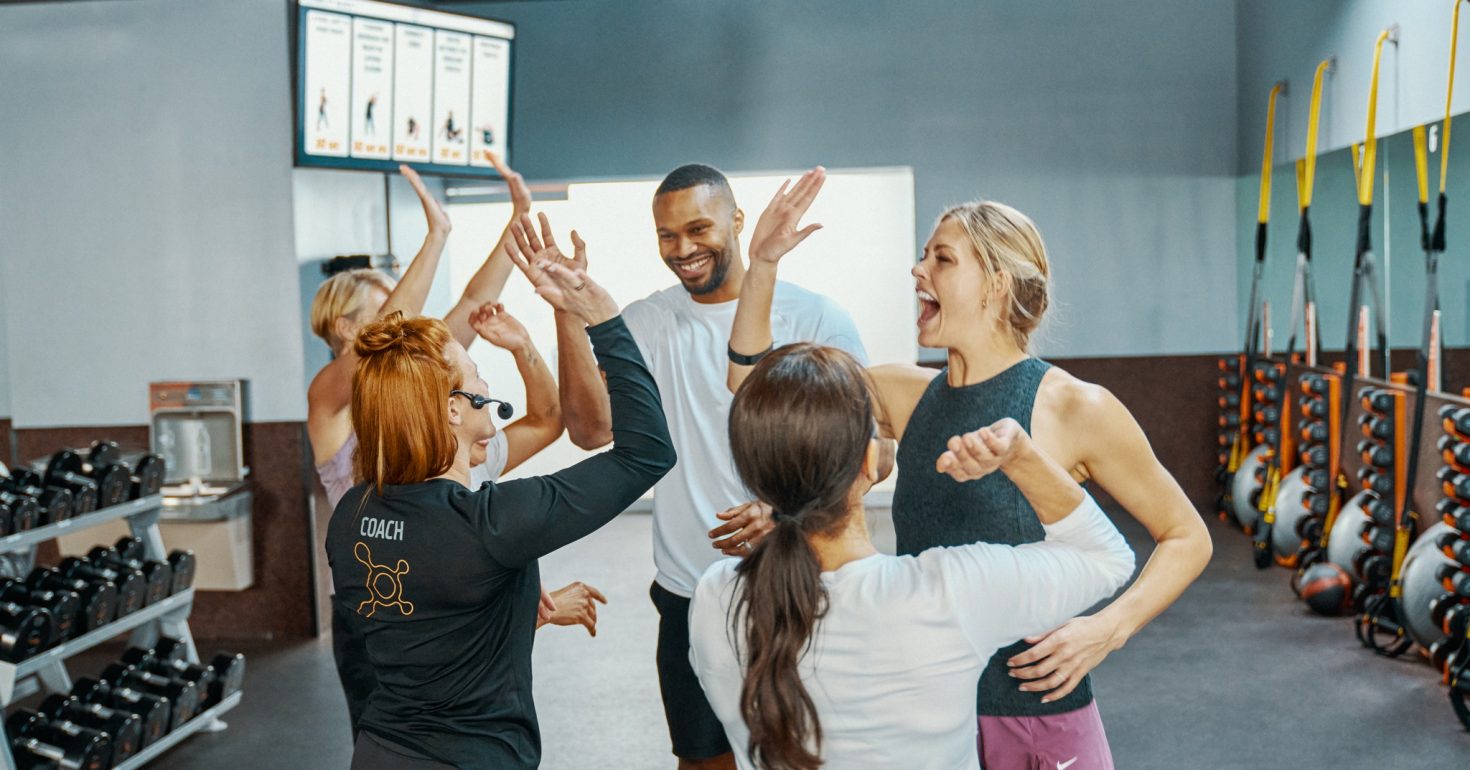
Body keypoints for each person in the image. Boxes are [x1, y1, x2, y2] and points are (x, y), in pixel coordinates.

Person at [726, 169, 1213, 769]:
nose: (918, 270)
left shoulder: (1073, 407)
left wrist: (1107, 630)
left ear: (996, 284)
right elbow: (758, 391)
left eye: (942, 259)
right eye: (923, 255)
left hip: (1034, 712)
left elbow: (1187, 536)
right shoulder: (903, 393)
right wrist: (763, 265)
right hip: (929, 713)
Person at [688, 344, 1135, 770]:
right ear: (869, 461)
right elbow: (1107, 558)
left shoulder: (714, 597)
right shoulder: (947, 594)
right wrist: (1022, 458)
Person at [555, 163, 865, 770]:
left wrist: (787, 514)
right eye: (667, 235)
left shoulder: (817, 319)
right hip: (689, 591)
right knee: (702, 761)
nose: (683, 249)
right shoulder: (647, 322)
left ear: (737, 221)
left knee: (809, 756)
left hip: (799, 583)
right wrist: (569, 311)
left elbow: (866, 453)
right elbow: (591, 430)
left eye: (698, 229)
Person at [326, 250, 676, 769]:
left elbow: (430, 626)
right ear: (452, 408)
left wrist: (515, 611)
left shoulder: (351, 515)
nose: (487, 389)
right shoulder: (488, 524)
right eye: (477, 376)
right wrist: (602, 316)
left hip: (378, 751)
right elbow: (647, 454)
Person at [307, 157, 612, 738]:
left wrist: (517, 225)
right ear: (348, 329)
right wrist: (438, 235)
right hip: (377, 599)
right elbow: (388, 336)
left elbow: (474, 299)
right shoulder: (330, 395)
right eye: (388, 306)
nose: (405, 319)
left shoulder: (448, 430)